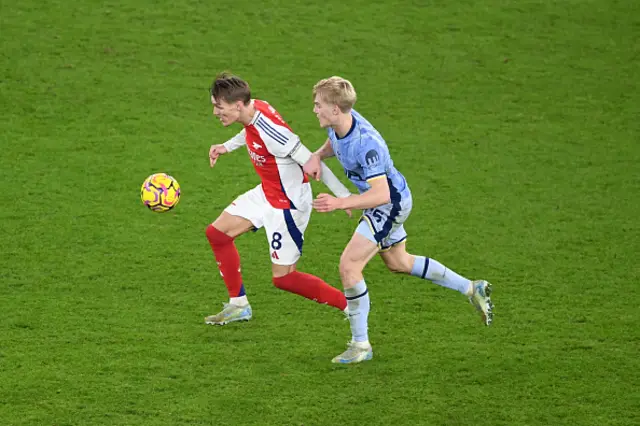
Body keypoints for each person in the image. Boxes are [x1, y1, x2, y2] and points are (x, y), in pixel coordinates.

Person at [304, 76, 494, 364]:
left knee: (349, 266)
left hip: (388, 204)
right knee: (398, 263)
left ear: (335, 109)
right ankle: (471, 287)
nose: (314, 109)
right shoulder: (341, 122)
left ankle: (360, 345)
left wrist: (340, 202)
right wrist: (318, 156)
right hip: (388, 198)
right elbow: (334, 142)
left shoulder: (367, 145)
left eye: (318, 105)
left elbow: (380, 194)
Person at [204, 72, 352, 325]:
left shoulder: (272, 131)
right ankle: (238, 305)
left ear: (237, 105)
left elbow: (311, 162)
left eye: (219, 107)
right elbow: (249, 131)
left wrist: (344, 197)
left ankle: (352, 307)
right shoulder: (253, 109)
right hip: (267, 191)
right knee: (217, 234)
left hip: (288, 205)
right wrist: (226, 146)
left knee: (284, 278)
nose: (216, 112)